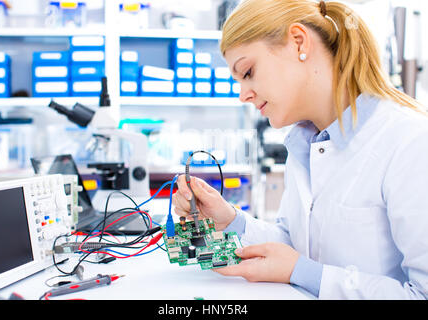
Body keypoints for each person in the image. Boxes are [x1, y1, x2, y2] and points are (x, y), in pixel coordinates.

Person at [172, 0, 428, 299]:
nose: (243, 95)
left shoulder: (410, 141)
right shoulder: (308, 142)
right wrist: (230, 220)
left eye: (248, 72)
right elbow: (298, 244)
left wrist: (303, 273)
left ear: (298, 42)